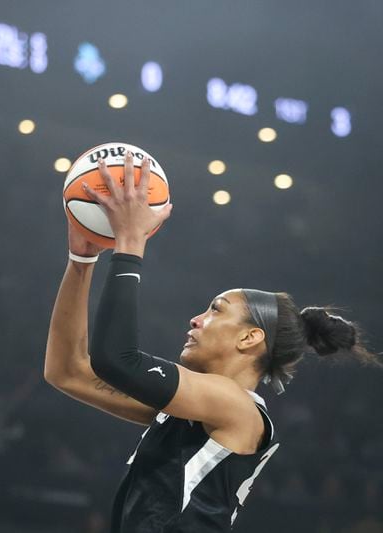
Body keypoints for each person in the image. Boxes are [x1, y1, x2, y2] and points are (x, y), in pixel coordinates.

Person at [44, 152, 380, 532]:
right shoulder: (188, 410)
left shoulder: (235, 406)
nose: (196, 319)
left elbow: (115, 360)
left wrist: (131, 241)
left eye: (216, 310)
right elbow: (67, 371)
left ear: (251, 337)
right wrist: (81, 260)